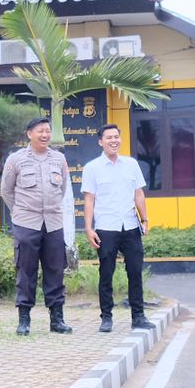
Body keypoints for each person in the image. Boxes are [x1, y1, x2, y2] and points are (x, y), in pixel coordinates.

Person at [0, 117, 76, 335]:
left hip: (53, 223)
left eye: (47, 131)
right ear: (29, 134)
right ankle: (24, 320)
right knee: (26, 271)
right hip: (26, 223)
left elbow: (61, 191)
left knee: (55, 270)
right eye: (40, 131)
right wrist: (20, 212)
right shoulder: (16, 159)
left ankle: (57, 319)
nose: (45, 135)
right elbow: (7, 191)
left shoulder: (59, 159)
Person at [82, 123, 153, 333]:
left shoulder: (131, 164)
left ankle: (138, 316)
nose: (114, 141)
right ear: (100, 142)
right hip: (106, 227)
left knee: (135, 272)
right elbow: (89, 200)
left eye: (116, 137)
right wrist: (88, 228)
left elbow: (139, 194)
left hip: (131, 226)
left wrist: (145, 218)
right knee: (106, 273)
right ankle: (106, 317)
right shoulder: (92, 168)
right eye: (109, 137)